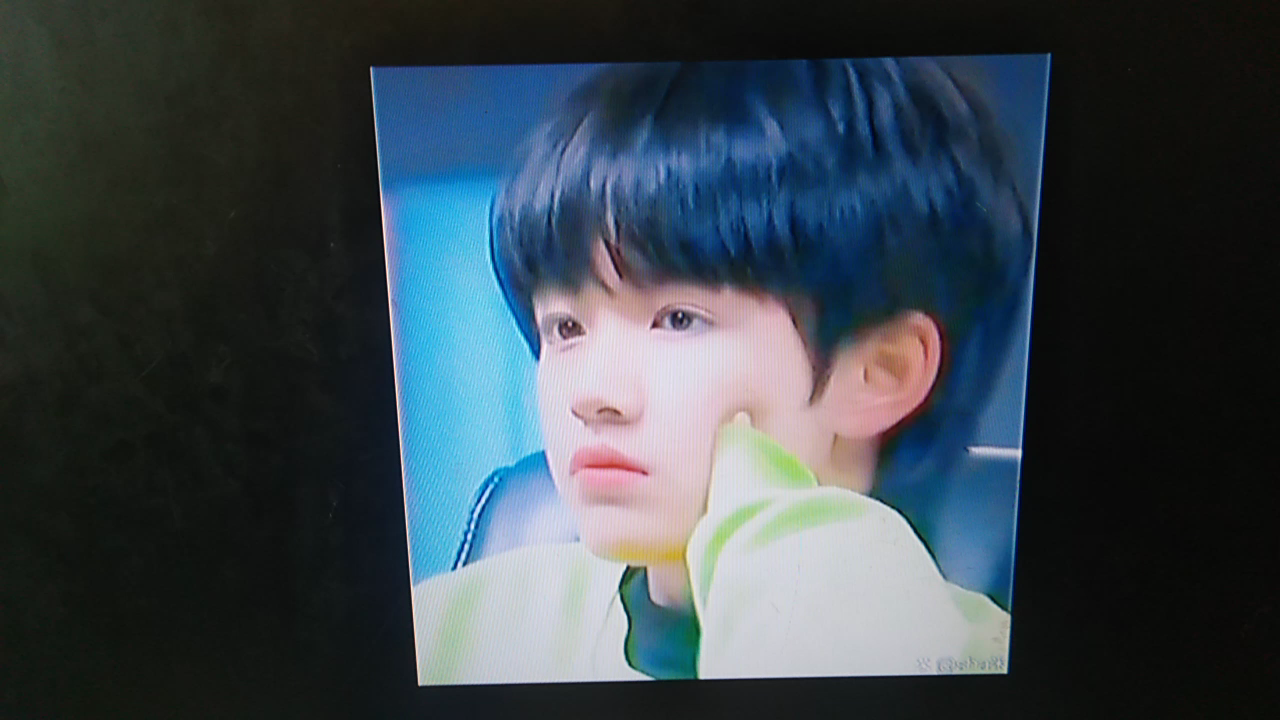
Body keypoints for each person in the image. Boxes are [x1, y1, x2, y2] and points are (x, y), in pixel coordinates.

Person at [412, 58, 1033, 684]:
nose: (592, 395)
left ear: (881, 370)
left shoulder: (974, 661)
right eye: (565, 328)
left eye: (678, 319)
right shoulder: (457, 631)